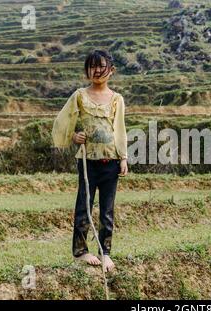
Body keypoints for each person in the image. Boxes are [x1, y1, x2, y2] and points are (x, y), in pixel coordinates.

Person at [52, 49, 128, 271]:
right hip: (87, 162)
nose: (97, 70)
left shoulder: (116, 99)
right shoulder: (79, 96)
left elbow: (120, 129)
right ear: (87, 71)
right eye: (92, 66)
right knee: (84, 206)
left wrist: (123, 158)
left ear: (111, 71)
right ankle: (81, 252)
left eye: (101, 66)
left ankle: (105, 252)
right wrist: (73, 136)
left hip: (111, 162)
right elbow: (63, 121)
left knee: (107, 209)